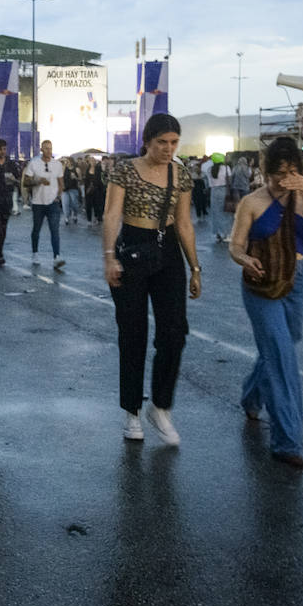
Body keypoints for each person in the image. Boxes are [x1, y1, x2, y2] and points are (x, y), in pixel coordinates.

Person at [230, 135, 303, 470]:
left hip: (296, 278)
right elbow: (236, 245)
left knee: (283, 345)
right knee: (283, 357)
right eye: (277, 174)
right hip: (261, 282)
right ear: (265, 172)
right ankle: (287, 441)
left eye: (291, 172)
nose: (283, 180)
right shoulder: (252, 202)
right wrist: (243, 259)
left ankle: (251, 395)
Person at [102, 113, 200, 445]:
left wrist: (195, 268)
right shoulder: (125, 170)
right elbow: (112, 214)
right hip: (130, 249)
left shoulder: (181, 174)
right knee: (133, 334)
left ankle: (160, 406)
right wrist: (109, 257)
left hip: (168, 252)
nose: (168, 149)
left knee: (174, 333)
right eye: (162, 142)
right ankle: (131, 411)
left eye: (174, 143)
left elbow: (184, 222)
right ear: (147, 141)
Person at [22, 139, 64, 268]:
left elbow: (61, 183)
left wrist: (58, 197)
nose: (48, 151)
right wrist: (38, 181)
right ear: (41, 149)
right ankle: (35, 253)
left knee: (54, 229)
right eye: (46, 148)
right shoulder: (34, 164)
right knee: (36, 229)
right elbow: (25, 182)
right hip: (38, 202)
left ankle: (56, 256)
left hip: (53, 203)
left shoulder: (57, 164)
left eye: (50, 148)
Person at [206, 153, 232, 243]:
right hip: (224, 190)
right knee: (225, 212)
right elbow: (229, 181)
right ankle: (226, 234)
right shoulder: (226, 168)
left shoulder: (209, 170)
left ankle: (217, 233)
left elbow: (209, 183)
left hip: (213, 191)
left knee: (215, 213)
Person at [83, 154, 106, 223]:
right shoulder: (87, 169)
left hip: (97, 190)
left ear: (95, 161)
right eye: (91, 161)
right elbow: (86, 180)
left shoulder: (99, 168)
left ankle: (97, 217)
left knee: (97, 205)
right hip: (89, 190)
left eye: (93, 161)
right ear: (89, 162)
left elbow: (102, 178)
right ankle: (89, 219)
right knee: (88, 205)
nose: (92, 162)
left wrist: (103, 169)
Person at [62, 157, 82, 224]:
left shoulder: (76, 169)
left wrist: (75, 177)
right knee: (65, 204)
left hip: (73, 188)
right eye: (65, 161)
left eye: (67, 161)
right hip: (65, 189)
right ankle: (66, 217)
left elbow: (80, 179)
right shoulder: (64, 168)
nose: (66, 163)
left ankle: (75, 215)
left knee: (74, 204)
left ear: (71, 161)